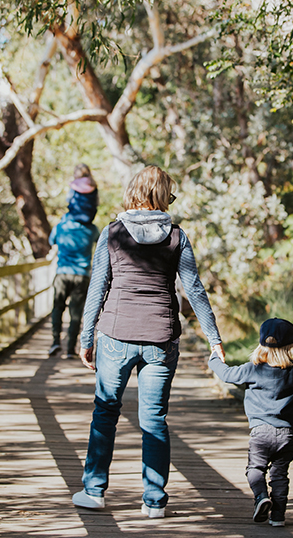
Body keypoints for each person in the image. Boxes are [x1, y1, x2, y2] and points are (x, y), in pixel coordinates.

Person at [71, 165, 225, 519]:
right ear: (162, 196)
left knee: (105, 412)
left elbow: (98, 287)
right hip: (160, 339)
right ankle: (153, 501)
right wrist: (213, 336)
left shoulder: (111, 233)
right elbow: (194, 289)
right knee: (154, 419)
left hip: (116, 335)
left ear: (133, 191)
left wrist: (86, 337)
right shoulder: (176, 236)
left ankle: (94, 491)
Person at [209, 318, 293, 527]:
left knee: (255, 469)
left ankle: (261, 496)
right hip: (287, 434)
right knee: (280, 474)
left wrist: (214, 359)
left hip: (260, 433)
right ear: (292, 346)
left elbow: (226, 374)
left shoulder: (251, 369)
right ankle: (278, 516)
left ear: (261, 343)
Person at [48, 164, 100, 358]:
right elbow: (102, 243)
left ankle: (55, 342)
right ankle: (70, 349)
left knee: (58, 307)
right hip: (82, 274)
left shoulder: (61, 226)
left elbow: (51, 240)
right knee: (76, 312)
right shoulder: (92, 229)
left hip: (62, 272)